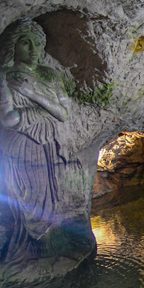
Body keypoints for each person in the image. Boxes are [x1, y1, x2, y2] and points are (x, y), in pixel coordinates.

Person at [0, 19, 74, 261]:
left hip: (45, 146)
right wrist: (41, 114)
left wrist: (33, 92)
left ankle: (43, 240)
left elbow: (63, 113)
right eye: (25, 43)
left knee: (46, 194)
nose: (32, 50)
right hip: (19, 146)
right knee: (22, 193)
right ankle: (25, 247)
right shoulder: (4, 77)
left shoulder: (49, 75)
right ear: (13, 47)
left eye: (37, 44)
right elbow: (9, 119)